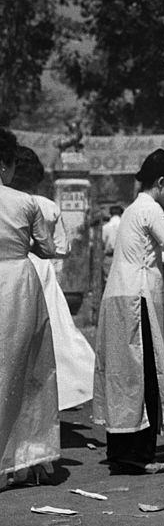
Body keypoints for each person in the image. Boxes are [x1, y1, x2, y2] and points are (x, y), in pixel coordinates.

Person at [92, 149, 164, 473]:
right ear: (161, 182)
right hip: (137, 298)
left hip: (118, 294)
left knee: (123, 376)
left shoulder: (132, 210)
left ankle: (123, 452)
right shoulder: (151, 209)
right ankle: (138, 455)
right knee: (144, 373)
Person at [10, 146, 95, 411]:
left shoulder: (7, 202)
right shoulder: (46, 206)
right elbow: (62, 248)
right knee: (56, 332)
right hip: (41, 269)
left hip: (11, 268)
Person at [0, 129, 60, 489]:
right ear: (4, 165)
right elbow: (49, 248)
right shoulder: (25, 201)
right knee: (23, 368)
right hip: (17, 285)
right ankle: (21, 457)